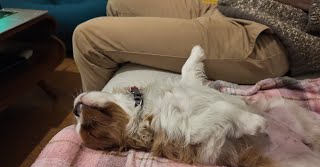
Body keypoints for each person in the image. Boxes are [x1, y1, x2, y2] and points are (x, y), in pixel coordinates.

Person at [73, 0, 291, 91]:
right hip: (230, 8)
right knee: (119, 3)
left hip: (266, 34)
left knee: (88, 38)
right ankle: (114, 103)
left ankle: (96, 124)